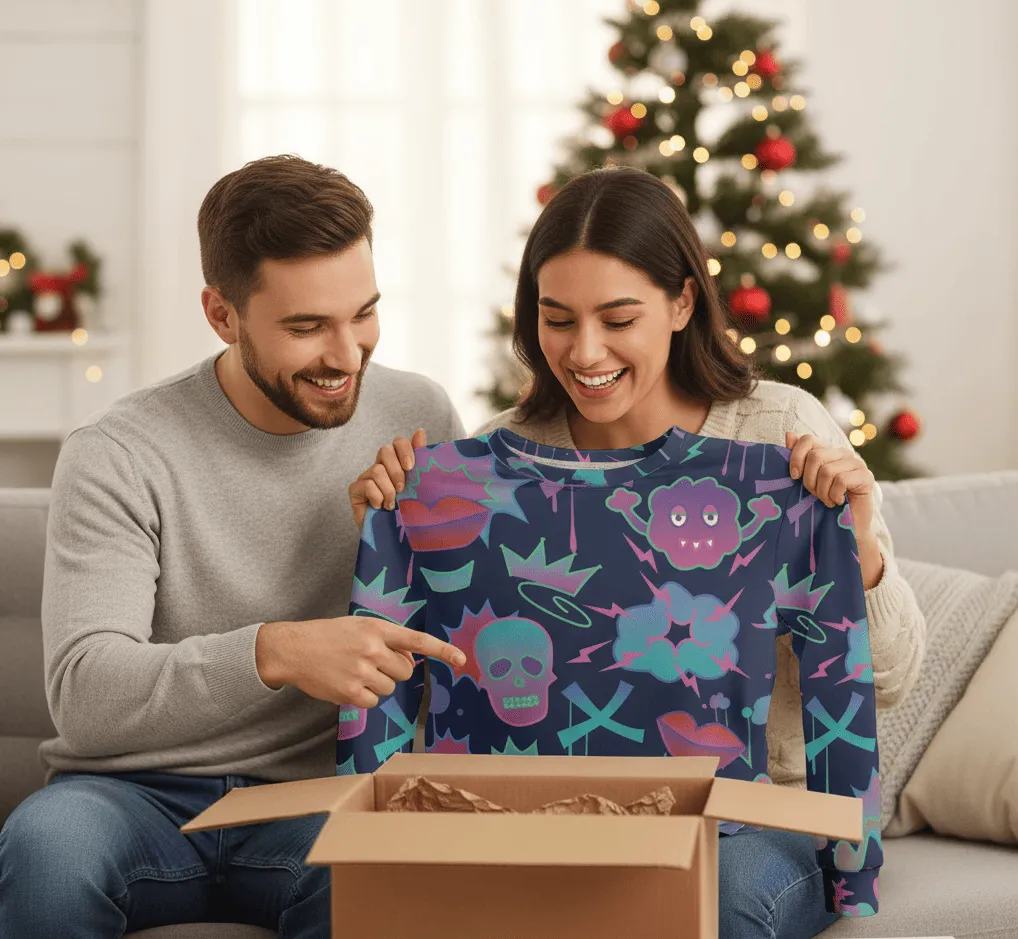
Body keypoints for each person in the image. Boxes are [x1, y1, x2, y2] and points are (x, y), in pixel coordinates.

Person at [350, 166, 926, 939]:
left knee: (707, 912)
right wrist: (389, 527)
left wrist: (855, 550)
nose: (585, 351)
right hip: (536, 821)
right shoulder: (480, 465)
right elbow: (398, 670)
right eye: (558, 320)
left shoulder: (779, 440)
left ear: (683, 302)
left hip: (751, 817)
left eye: (618, 318)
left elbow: (883, 678)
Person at [0, 155, 466, 939]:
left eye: (364, 314)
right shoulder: (119, 452)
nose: (348, 354)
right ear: (222, 315)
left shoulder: (416, 411)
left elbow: (458, 651)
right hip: (127, 797)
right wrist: (275, 652)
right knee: (48, 851)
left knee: (379, 870)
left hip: (319, 795)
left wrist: (391, 547)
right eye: (307, 326)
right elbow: (85, 691)